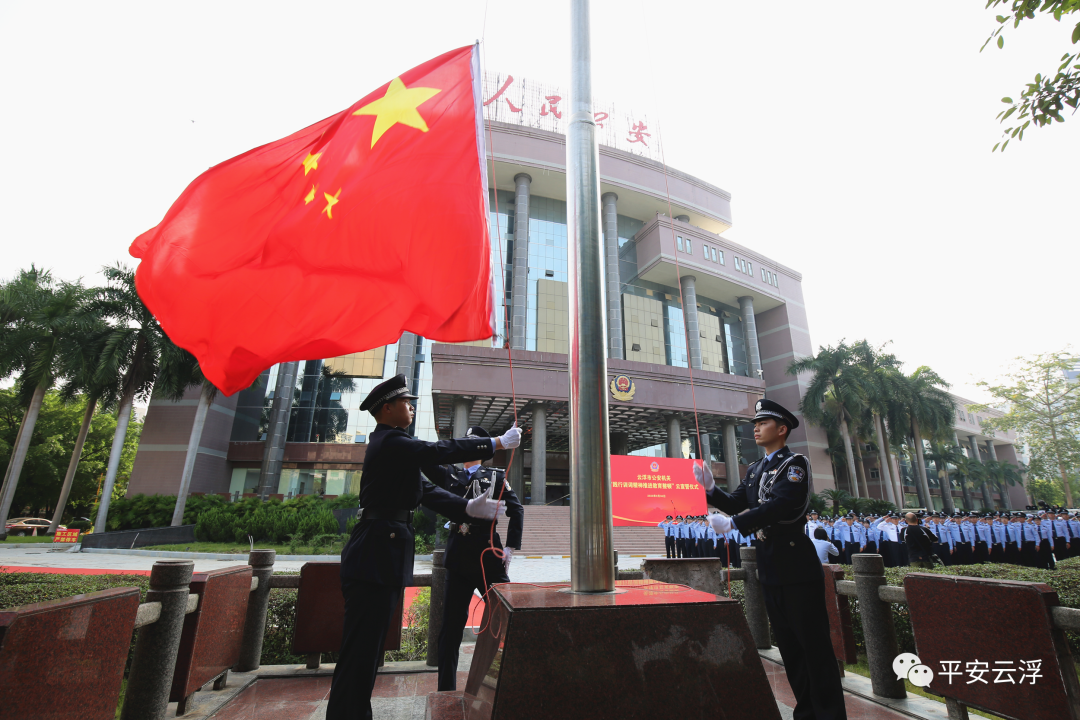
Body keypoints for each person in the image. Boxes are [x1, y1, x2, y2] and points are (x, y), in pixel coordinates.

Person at [326, 374, 519, 720]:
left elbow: (426, 492)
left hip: (381, 556)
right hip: (374, 557)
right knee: (360, 652)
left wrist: (466, 508)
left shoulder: (394, 448)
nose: (411, 407)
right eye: (405, 402)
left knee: (368, 651)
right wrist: (495, 443)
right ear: (388, 408)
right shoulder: (391, 441)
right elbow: (435, 451)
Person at [694, 398, 847, 720]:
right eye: (755, 424)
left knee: (813, 647)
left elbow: (783, 505)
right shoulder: (755, 469)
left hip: (795, 563)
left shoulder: (794, 464)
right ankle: (806, 713)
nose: (756, 428)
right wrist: (711, 490)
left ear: (781, 429)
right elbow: (735, 502)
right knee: (790, 649)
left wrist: (735, 524)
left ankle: (830, 715)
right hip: (770, 565)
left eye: (763, 423)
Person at [421, 425, 525, 692]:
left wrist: (511, 547)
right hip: (458, 556)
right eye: (464, 443)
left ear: (481, 450)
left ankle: (509, 685)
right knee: (451, 627)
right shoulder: (449, 474)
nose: (467, 447)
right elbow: (425, 460)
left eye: (472, 443)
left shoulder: (496, 476)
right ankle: (446, 689)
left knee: (506, 618)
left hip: (487, 554)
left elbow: (517, 509)